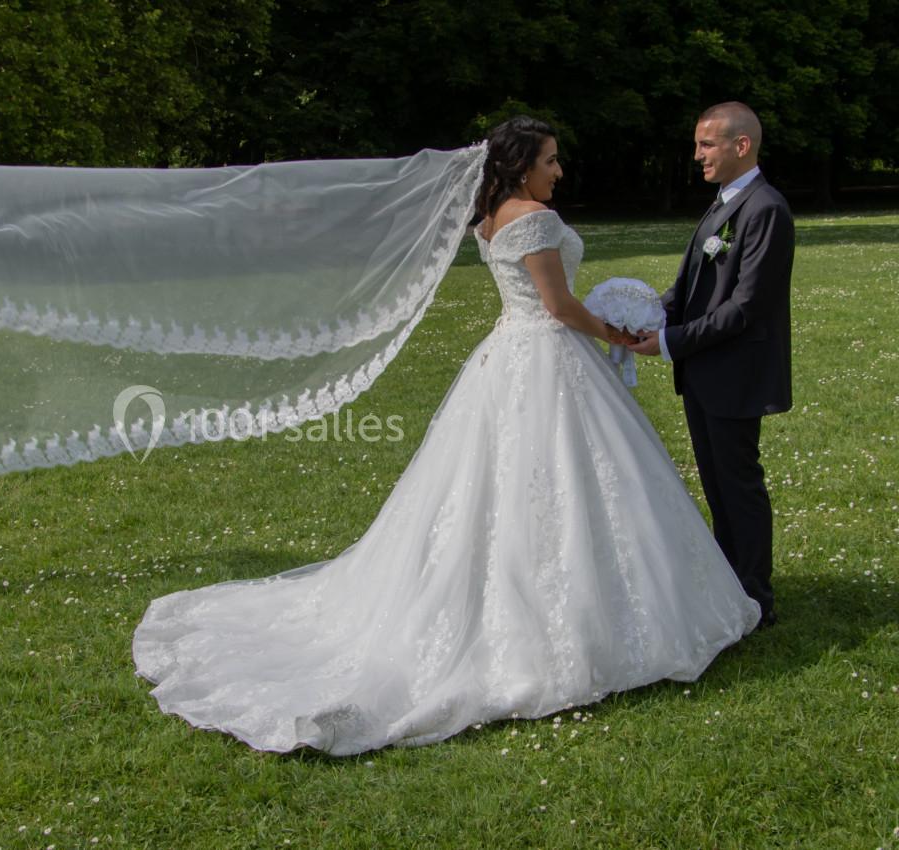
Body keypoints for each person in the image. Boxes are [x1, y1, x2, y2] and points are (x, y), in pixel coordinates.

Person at [132, 116, 761, 755]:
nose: (559, 170)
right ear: (521, 166)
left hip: (508, 357)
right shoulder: (534, 220)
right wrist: (618, 335)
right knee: (561, 480)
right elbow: (558, 307)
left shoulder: (490, 217)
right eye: (550, 159)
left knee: (510, 485)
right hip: (546, 356)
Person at [629, 102, 793, 629]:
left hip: (734, 372)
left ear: (740, 145)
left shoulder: (764, 209)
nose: (697, 154)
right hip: (705, 373)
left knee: (738, 485)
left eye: (706, 144)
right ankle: (732, 589)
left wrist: (670, 341)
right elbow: (692, 286)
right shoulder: (723, 203)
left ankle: (756, 599)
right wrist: (643, 312)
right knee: (718, 485)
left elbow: (744, 308)